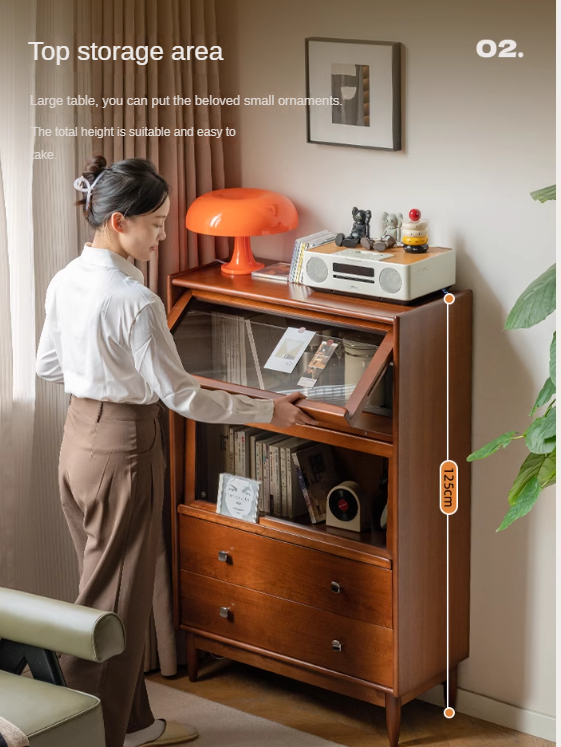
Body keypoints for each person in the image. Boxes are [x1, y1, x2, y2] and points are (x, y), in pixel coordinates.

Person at [36, 156, 317, 747]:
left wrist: (104, 378)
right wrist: (270, 409)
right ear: (119, 221)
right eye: (157, 223)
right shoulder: (135, 300)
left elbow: (48, 366)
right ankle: (84, 733)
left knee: (110, 587)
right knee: (113, 602)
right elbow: (181, 397)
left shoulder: (66, 279)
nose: (164, 235)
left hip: (77, 442)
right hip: (125, 448)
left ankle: (133, 724)